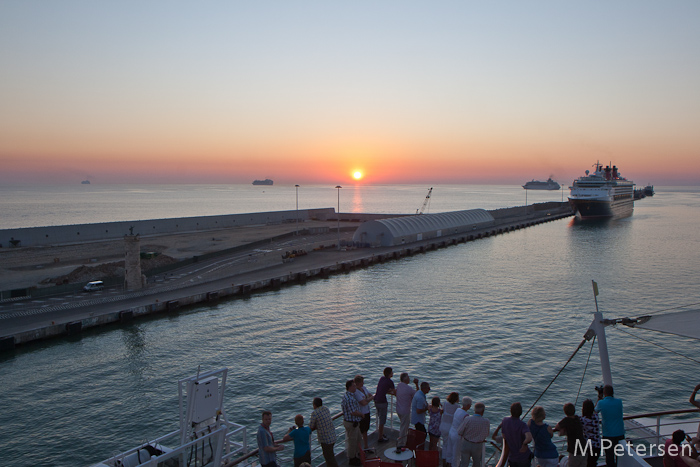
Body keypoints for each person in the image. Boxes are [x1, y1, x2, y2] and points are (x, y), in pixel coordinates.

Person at [492, 402, 532, 467]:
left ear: (511, 411)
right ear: (521, 412)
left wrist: (499, 427)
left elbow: (499, 436)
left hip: (512, 458)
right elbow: (529, 437)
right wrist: (524, 444)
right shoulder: (523, 425)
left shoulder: (505, 421)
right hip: (523, 458)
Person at [595, 385, 625, 467]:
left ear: (604, 393)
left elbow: (594, 412)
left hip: (608, 434)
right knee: (620, 456)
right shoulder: (619, 402)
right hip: (620, 432)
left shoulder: (601, 403)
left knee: (609, 457)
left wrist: (599, 397)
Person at [457, 402, 490, 467]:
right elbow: (486, 434)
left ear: (474, 410)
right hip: (477, 445)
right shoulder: (486, 421)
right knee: (477, 463)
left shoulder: (468, 419)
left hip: (466, 443)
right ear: (483, 411)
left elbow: (459, 431)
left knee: (464, 463)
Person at [309, 397, 338, 467]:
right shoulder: (325, 408)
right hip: (332, 436)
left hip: (326, 439)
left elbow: (311, 426)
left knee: (329, 458)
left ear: (315, 405)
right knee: (330, 456)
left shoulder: (315, 413)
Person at [555, 402, 586, 467]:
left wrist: (562, 430)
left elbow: (557, 427)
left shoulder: (566, 420)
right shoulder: (577, 418)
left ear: (565, 412)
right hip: (583, 447)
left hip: (574, 449)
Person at [341, 379, 364, 466]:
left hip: (353, 422)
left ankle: (356, 455)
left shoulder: (348, 395)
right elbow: (353, 412)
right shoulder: (349, 398)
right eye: (354, 386)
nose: (355, 387)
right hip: (351, 423)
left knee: (358, 439)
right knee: (352, 442)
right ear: (350, 387)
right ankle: (352, 459)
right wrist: (361, 414)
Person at [396, 373, 420, 447]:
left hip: (398, 409)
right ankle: (401, 444)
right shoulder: (409, 388)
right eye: (408, 377)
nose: (409, 379)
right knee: (404, 428)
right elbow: (417, 394)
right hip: (405, 411)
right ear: (405, 379)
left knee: (403, 426)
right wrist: (416, 384)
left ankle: (403, 441)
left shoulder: (399, 385)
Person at [375, 367, 396, 443]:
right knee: (382, 420)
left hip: (376, 400)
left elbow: (382, 388)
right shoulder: (390, 382)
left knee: (380, 417)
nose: (392, 373)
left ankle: (381, 433)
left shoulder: (382, 379)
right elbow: (395, 392)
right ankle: (380, 438)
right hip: (382, 402)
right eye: (392, 372)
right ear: (390, 374)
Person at [449, 396, 472, 467]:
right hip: (457, 436)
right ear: (468, 405)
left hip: (451, 431)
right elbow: (465, 427)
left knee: (451, 452)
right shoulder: (466, 415)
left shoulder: (458, 409)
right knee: (457, 455)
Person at [354, 374, 374, 452]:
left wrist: (368, 399)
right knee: (362, 431)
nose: (363, 383)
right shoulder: (356, 392)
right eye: (362, 382)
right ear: (358, 383)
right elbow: (363, 403)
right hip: (361, 414)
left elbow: (369, 395)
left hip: (367, 411)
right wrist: (369, 399)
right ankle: (361, 449)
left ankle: (366, 446)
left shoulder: (364, 388)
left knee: (366, 429)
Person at [440, 392, 460, 466]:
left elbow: (442, 411)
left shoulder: (445, 403)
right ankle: (449, 462)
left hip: (443, 426)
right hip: (450, 427)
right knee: (450, 446)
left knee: (444, 444)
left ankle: (444, 460)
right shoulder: (457, 407)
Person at [581, 399, 601, 467]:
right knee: (593, 463)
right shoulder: (596, 416)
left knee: (588, 464)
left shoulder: (583, 420)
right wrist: (599, 398)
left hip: (590, 447)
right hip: (598, 445)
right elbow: (595, 410)